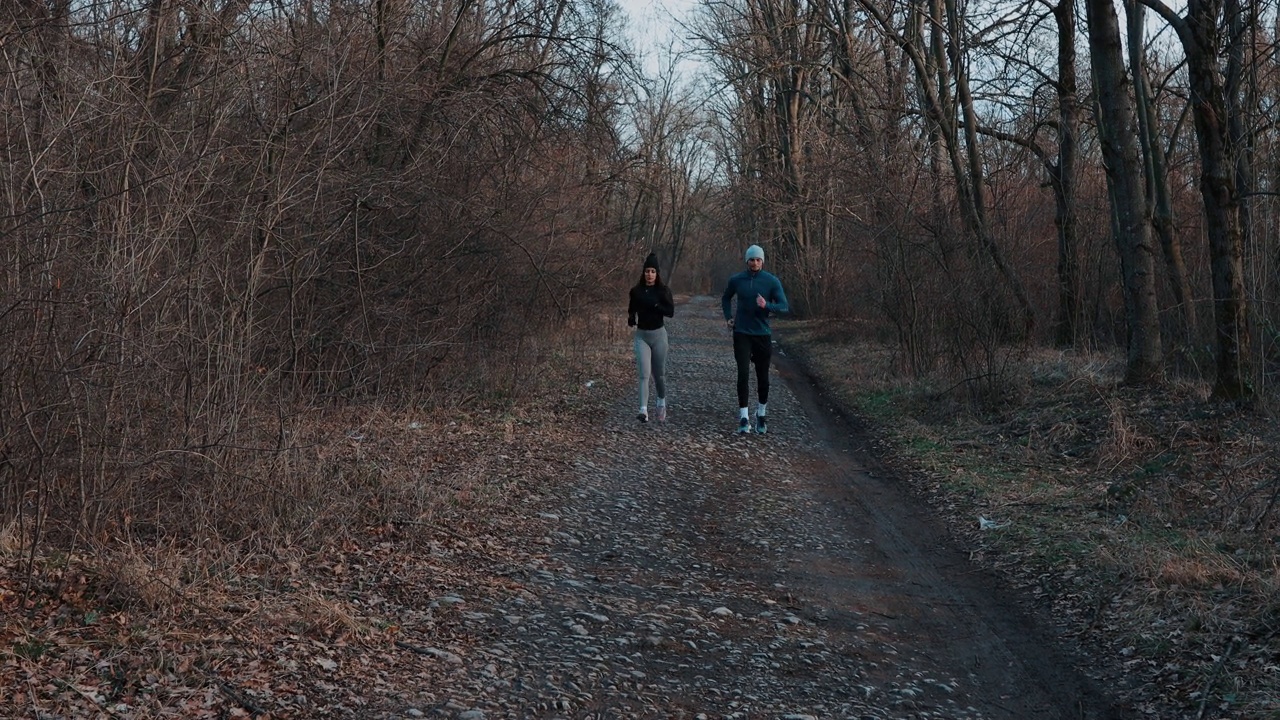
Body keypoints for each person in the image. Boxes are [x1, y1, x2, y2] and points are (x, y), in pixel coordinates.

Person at [721, 244, 788, 433]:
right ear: (747, 261)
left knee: (763, 377)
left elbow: (784, 306)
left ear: (763, 261)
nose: (755, 263)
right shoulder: (737, 280)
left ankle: (761, 415)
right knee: (742, 374)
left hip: (762, 334)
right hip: (742, 332)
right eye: (752, 259)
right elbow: (726, 298)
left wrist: (767, 305)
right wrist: (729, 317)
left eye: (758, 260)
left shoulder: (771, 281)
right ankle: (743, 417)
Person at [628, 252, 675, 423]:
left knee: (659, 374)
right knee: (644, 374)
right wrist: (631, 318)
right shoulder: (636, 291)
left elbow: (670, 312)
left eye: (653, 271)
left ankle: (661, 402)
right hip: (642, 336)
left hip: (659, 336)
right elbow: (631, 308)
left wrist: (657, 305)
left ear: (657, 274)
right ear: (643, 273)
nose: (649, 274)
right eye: (647, 271)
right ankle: (643, 410)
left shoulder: (663, 291)